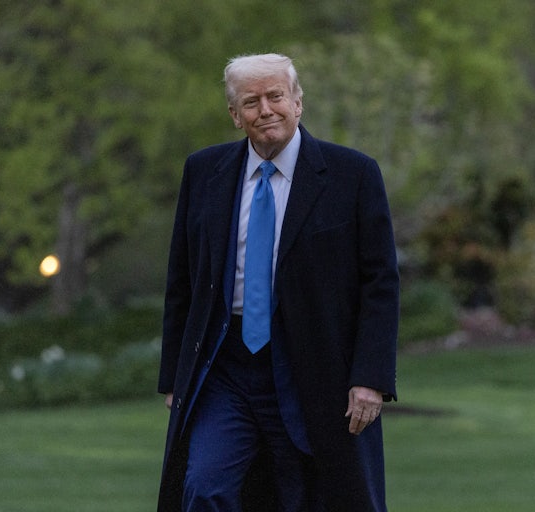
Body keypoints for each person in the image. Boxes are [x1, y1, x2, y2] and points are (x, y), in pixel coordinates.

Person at [156, 53, 399, 512]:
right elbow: (182, 281)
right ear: (234, 115)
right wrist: (175, 376)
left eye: (276, 96)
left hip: (314, 365)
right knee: (205, 486)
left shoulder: (353, 175)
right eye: (251, 101)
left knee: (309, 494)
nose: (265, 109)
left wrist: (370, 377)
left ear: (298, 103)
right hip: (224, 367)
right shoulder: (204, 172)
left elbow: (380, 284)